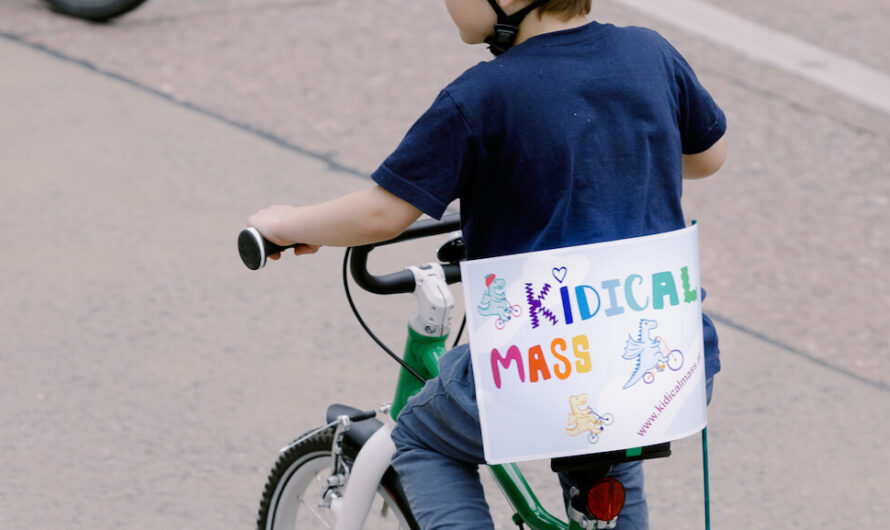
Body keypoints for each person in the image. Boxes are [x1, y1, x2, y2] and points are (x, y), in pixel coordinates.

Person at [247, 0, 727, 527]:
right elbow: (707, 156)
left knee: (421, 437)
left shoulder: (480, 97)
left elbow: (381, 213)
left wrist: (285, 223)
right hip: (669, 366)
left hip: (547, 375)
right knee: (610, 439)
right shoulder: (650, 53)